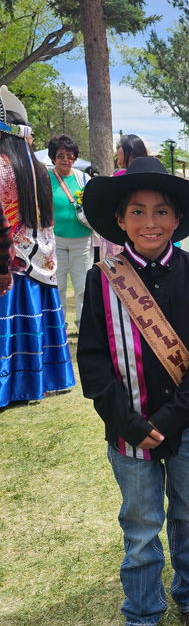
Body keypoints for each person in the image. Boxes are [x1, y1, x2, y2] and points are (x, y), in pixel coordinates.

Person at [77, 157, 189, 626]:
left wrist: (170, 418)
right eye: (137, 212)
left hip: (185, 426)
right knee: (140, 524)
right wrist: (129, 423)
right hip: (127, 430)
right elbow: (93, 360)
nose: (150, 222)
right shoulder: (101, 280)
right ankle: (141, 612)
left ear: (177, 218)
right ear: (120, 220)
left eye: (161, 211)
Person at [0, 85, 74, 407]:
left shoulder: (2, 167)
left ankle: (10, 387)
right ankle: (40, 381)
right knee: (33, 325)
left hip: (9, 263)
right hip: (39, 261)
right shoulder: (39, 170)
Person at [47, 134, 91, 332]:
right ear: (53, 157)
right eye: (60, 155)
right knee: (58, 285)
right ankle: (59, 326)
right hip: (54, 240)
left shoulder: (84, 179)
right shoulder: (45, 178)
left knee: (82, 285)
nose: (65, 159)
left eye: (70, 156)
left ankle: (84, 326)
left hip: (82, 240)